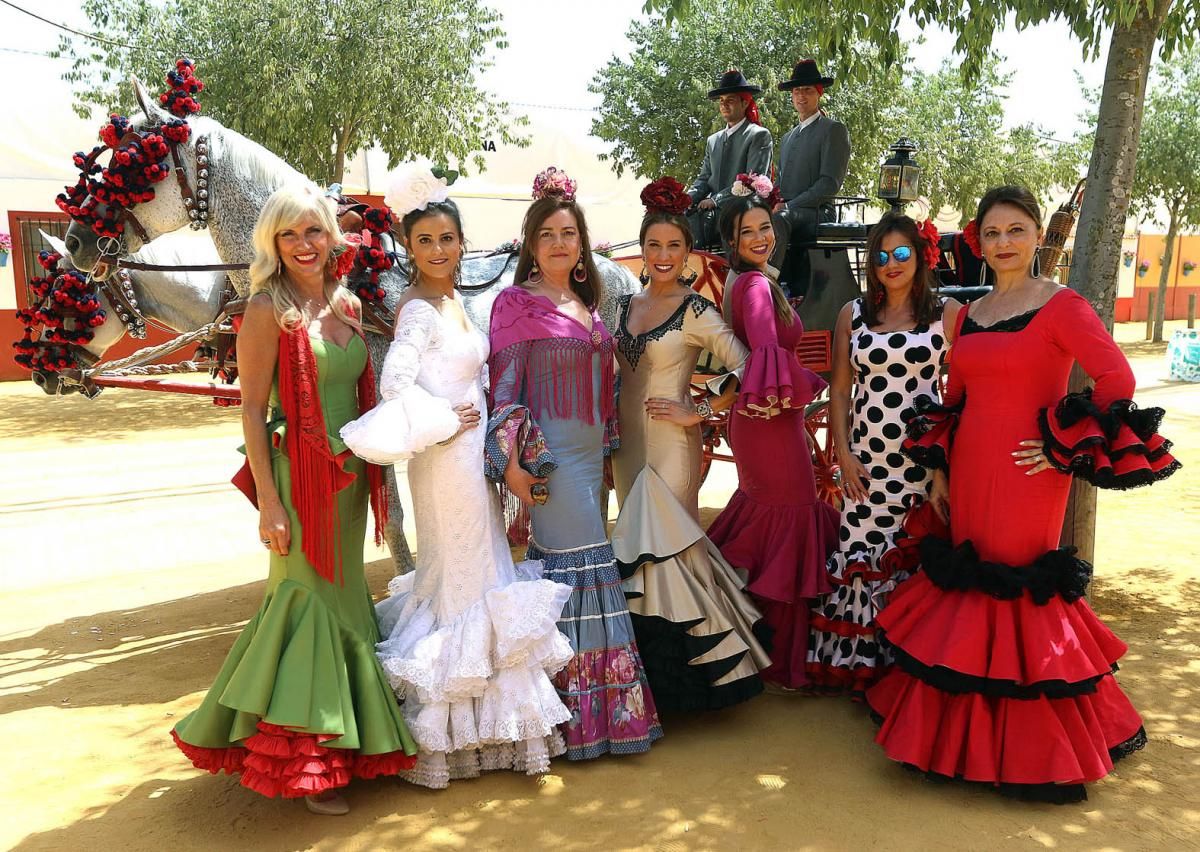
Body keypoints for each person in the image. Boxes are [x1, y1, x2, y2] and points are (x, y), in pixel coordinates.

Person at [867, 185, 1181, 802]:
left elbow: (1117, 376)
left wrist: (1059, 446)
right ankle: (954, 741)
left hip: (1031, 476)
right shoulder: (974, 311)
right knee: (972, 583)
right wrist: (940, 472)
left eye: (1015, 231)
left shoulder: (1062, 306)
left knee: (1018, 588)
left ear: (1039, 235)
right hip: (970, 468)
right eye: (991, 234)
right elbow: (955, 398)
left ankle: (1035, 754)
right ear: (977, 243)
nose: (1003, 243)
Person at [171, 185, 417, 815]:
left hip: (348, 479)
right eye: (290, 235)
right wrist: (270, 505)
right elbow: (253, 412)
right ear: (273, 245)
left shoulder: (348, 304)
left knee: (348, 600)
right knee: (304, 598)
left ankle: (355, 744)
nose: (304, 245)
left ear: (333, 236)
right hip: (298, 482)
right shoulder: (263, 309)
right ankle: (312, 760)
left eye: (314, 232)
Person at [338, 166, 575, 789]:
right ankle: (452, 738)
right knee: (464, 578)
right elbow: (393, 386)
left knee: (479, 568)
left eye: (447, 239)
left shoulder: (452, 302)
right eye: (425, 242)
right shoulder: (417, 310)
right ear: (409, 249)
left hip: (471, 460)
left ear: (462, 243)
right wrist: (446, 420)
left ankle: (490, 728)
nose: (438, 250)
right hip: (445, 459)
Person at [485, 167, 663, 759]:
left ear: (582, 244)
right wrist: (512, 467)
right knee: (578, 571)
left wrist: (610, 451)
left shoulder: (587, 303)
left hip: (591, 457)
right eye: (549, 235)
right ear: (532, 246)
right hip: (552, 461)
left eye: (570, 234)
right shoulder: (515, 304)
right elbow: (505, 389)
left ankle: (591, 717)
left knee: (586, 568)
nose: (561, 243)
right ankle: (578, 723)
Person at [609, 175, 771, 711]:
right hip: (626, 450)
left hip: (673, 447)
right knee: (634, 551)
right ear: (642, 248)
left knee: (670, 551)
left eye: (674, 245)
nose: (662, 255)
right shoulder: (625, 307)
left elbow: (750, 367)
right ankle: (641, 682)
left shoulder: (697, 310)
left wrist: (698, 410)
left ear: (688, 254)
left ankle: (684, 688)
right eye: (653, 245)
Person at [805, 212, 960, 697]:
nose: (890, 264)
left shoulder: (948, 314)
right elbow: (840, 388)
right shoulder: (853, 314)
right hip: (866, 464)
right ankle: (863, 668)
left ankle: (907, 671)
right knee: (863, 556)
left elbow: (959, 395)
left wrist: (942, 472)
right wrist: (844, 453)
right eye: (881, 256)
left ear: (919, 257)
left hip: (920, 463)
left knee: (910, 556)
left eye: (901, 254)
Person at [706, 177, 840, 691]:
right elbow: (764, 349)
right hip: (769, 419)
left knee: (776, 523)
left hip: (762, 417)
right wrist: (785, 393)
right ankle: (779, 657)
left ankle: (748, 641)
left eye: (766, 228)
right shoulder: (757, 285)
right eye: (748, 232)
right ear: (732, 241)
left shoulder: (748, 280)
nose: (761, 237)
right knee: (791, 521)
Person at [772, 60, 851, 295]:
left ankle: (771, 282)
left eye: (807, 90)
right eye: (796, 91)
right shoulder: (787, 138)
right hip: (787, 210)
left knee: (779, 218)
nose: (801, 96)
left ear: (819, 93)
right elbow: (781, 183)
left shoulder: (833, 130)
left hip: (817, 211)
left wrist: (788, 205)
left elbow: (829, 184)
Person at [686, 69, 774, 250]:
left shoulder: (758, 135)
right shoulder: (713, 140)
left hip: (743, 209)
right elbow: (704, 179)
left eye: (730, 100)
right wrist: (683, 200)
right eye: (721, 101)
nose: (725, 105)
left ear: (744, 102)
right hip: (712, 211)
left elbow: (753, 180)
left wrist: (716, 200)